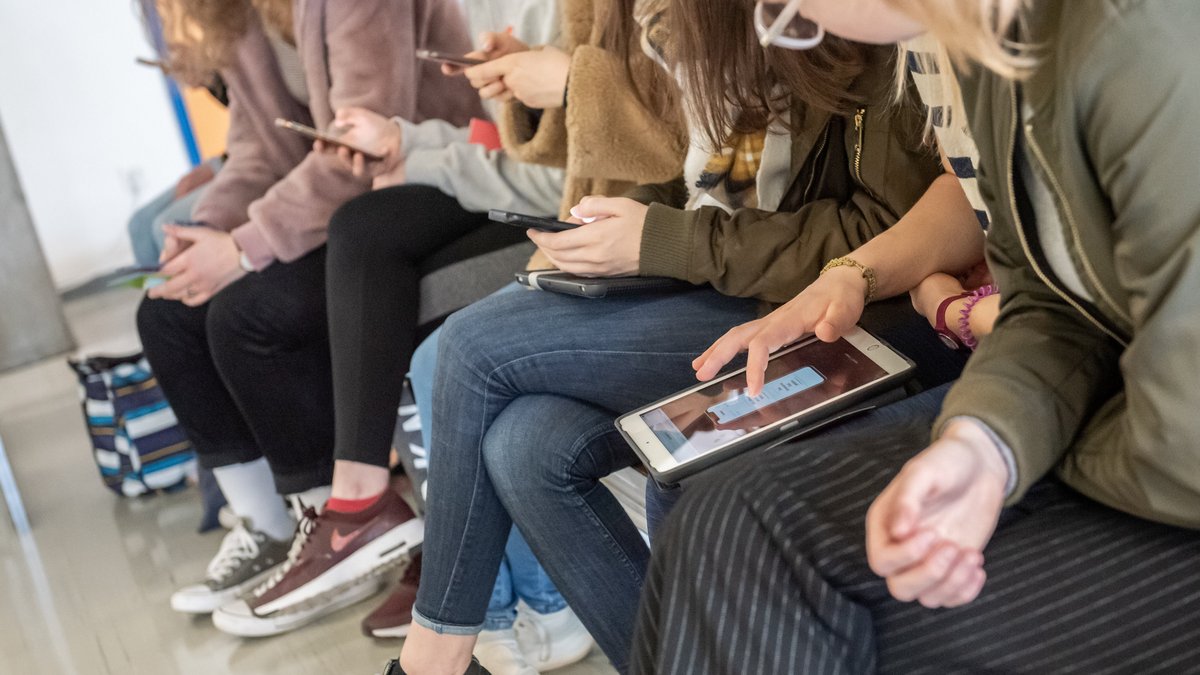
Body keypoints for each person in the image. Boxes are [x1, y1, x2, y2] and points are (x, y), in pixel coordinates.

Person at [631, 1, 1200, 673]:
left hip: (1172, 468)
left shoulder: (1134, 38)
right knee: (720, 522)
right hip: (1134, 427)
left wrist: (1012, 455)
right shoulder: (997, 52)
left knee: (774, 601)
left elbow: (1183, 437)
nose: (778, 17)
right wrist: (984, 442)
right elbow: (1049, 302)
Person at [391, 0, 952, 671]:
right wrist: (629, 222)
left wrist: (660, 237)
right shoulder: (738, 43)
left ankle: (430, 662)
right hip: (743, 280)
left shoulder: (862, 34)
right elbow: (721, 188)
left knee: (466, 348)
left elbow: (880, 235)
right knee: (527, 444)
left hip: (841, 310)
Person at [311, 1, 686, 670]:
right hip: (634, 229)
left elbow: (670, 153)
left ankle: (441, 644)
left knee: (452, 351)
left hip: (668, 244)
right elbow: (576, 154)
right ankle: (506, 609)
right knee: (519, 437)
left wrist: (568, 85)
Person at [136, 0, 482, 631]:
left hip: (441, 177)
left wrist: (243, 247)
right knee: (169, 311)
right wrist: (207, 232)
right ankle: (288, 529)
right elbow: (257, 153)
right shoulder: (229, 14)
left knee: (249, 315)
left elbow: (364, 144)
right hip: (347, 200)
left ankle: (352, 529)